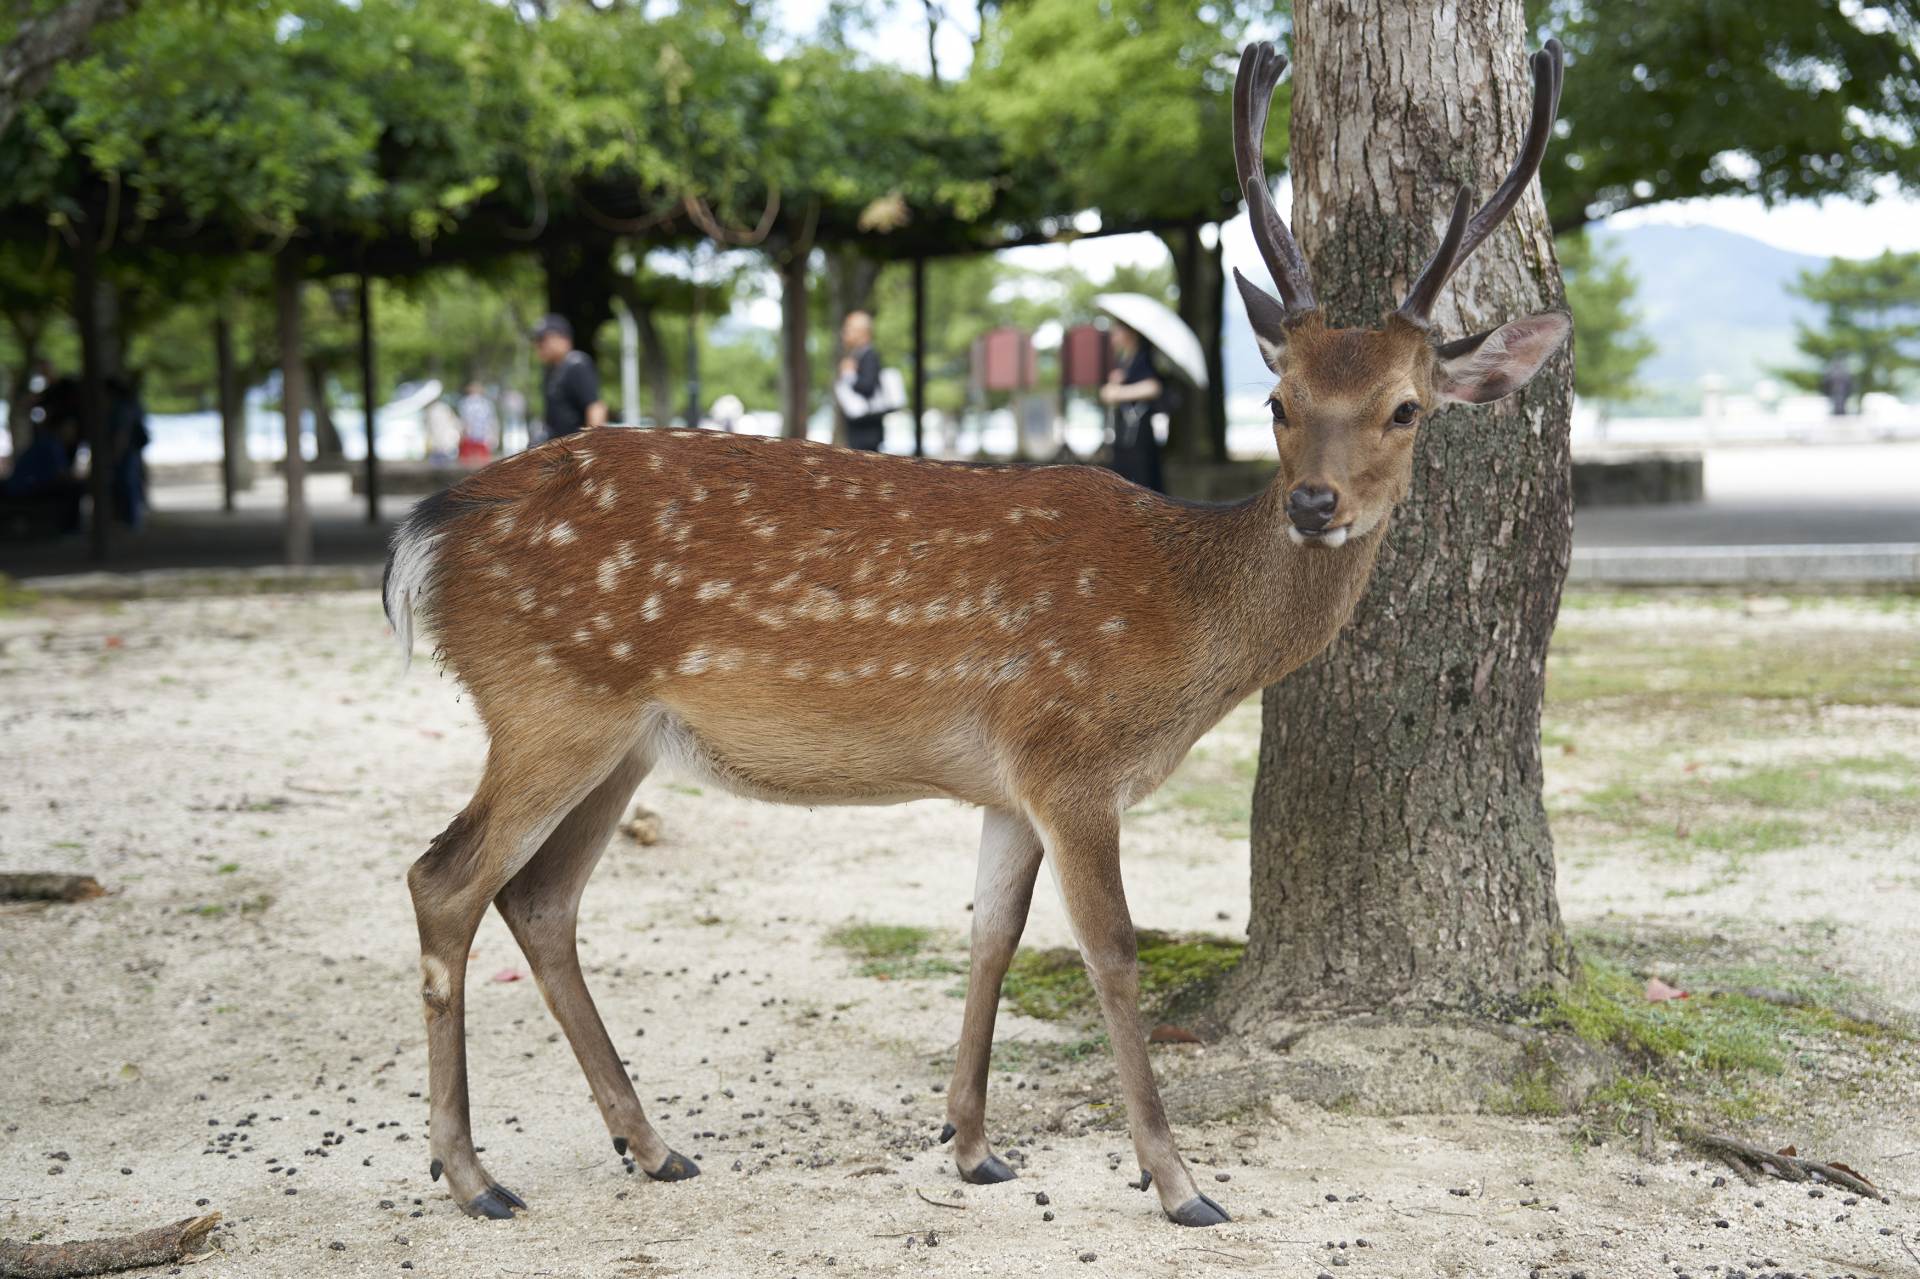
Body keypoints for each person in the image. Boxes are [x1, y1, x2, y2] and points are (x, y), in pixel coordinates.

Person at [1098, 322, 1166, 492]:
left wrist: (1119, 392)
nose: (1114, 336)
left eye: (1117, 331)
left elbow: (1153, 387)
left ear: (1131, 333)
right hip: (1125, 430)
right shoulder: (1124, 360)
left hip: (1139, 430)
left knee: (1143, 479)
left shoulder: (1143, 357)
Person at [532, 315, 607, 442]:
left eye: (543, 339)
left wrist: (591, 446)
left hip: (572, 451)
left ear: (563, 338)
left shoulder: (576, 364)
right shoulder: (551, 371)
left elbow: (595, 407)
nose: (539, 345)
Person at [835, 310, 888, 451]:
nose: (844, 332)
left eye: (849, 328)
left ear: (862, 332)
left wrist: (849, 375)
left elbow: (868, 387)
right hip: (860, 432)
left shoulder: (869, 355)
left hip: (867, 433)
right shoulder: (857, 355)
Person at [456, 381, 497, 464]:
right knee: (483, 460)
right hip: (482, 435)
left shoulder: (465, 402)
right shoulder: (486, 403)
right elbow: (491, 420)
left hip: (472, 434)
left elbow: (463, 420)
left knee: (468, 459)